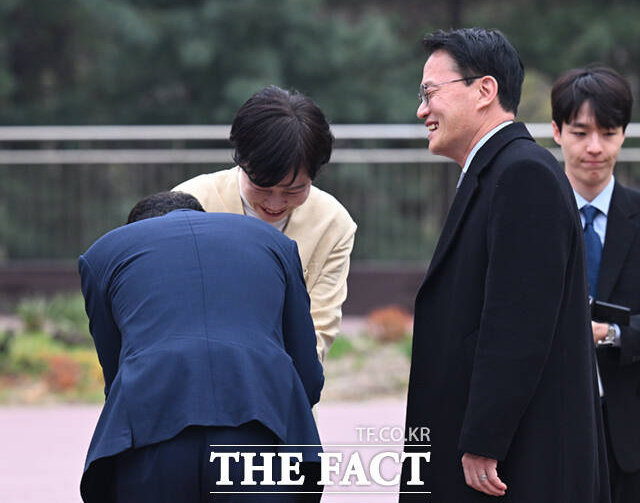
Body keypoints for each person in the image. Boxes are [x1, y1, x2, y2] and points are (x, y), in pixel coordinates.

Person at [400, 28, 609, 502]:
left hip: (512, 465)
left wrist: (484, 440)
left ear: (484, 90)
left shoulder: (522, 173)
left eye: (430, 93)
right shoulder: (499, 170)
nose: (422, 110)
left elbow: (518, 324)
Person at [79, 191, 324, 502]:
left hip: (151, 433)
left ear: (136, 229)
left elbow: (115, 373)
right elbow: (307, 374)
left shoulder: (104, 254)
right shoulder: (274, 243)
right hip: (259, 424)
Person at [173, 85, 357, 362]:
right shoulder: (189, 204)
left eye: (294, 190)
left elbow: (318, 329)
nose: (275, 203)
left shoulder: (332, 223)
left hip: (280, 378)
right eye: (262, 186)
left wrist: (280, 379)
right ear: (241, 161)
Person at [551, 65, 640, 503]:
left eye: (608, 133)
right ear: (556, 131)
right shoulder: (530, 218)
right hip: (548, 425)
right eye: (580, 132)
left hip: (628, 431)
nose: (594, 148)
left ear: (624, 135)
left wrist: (611, 333)